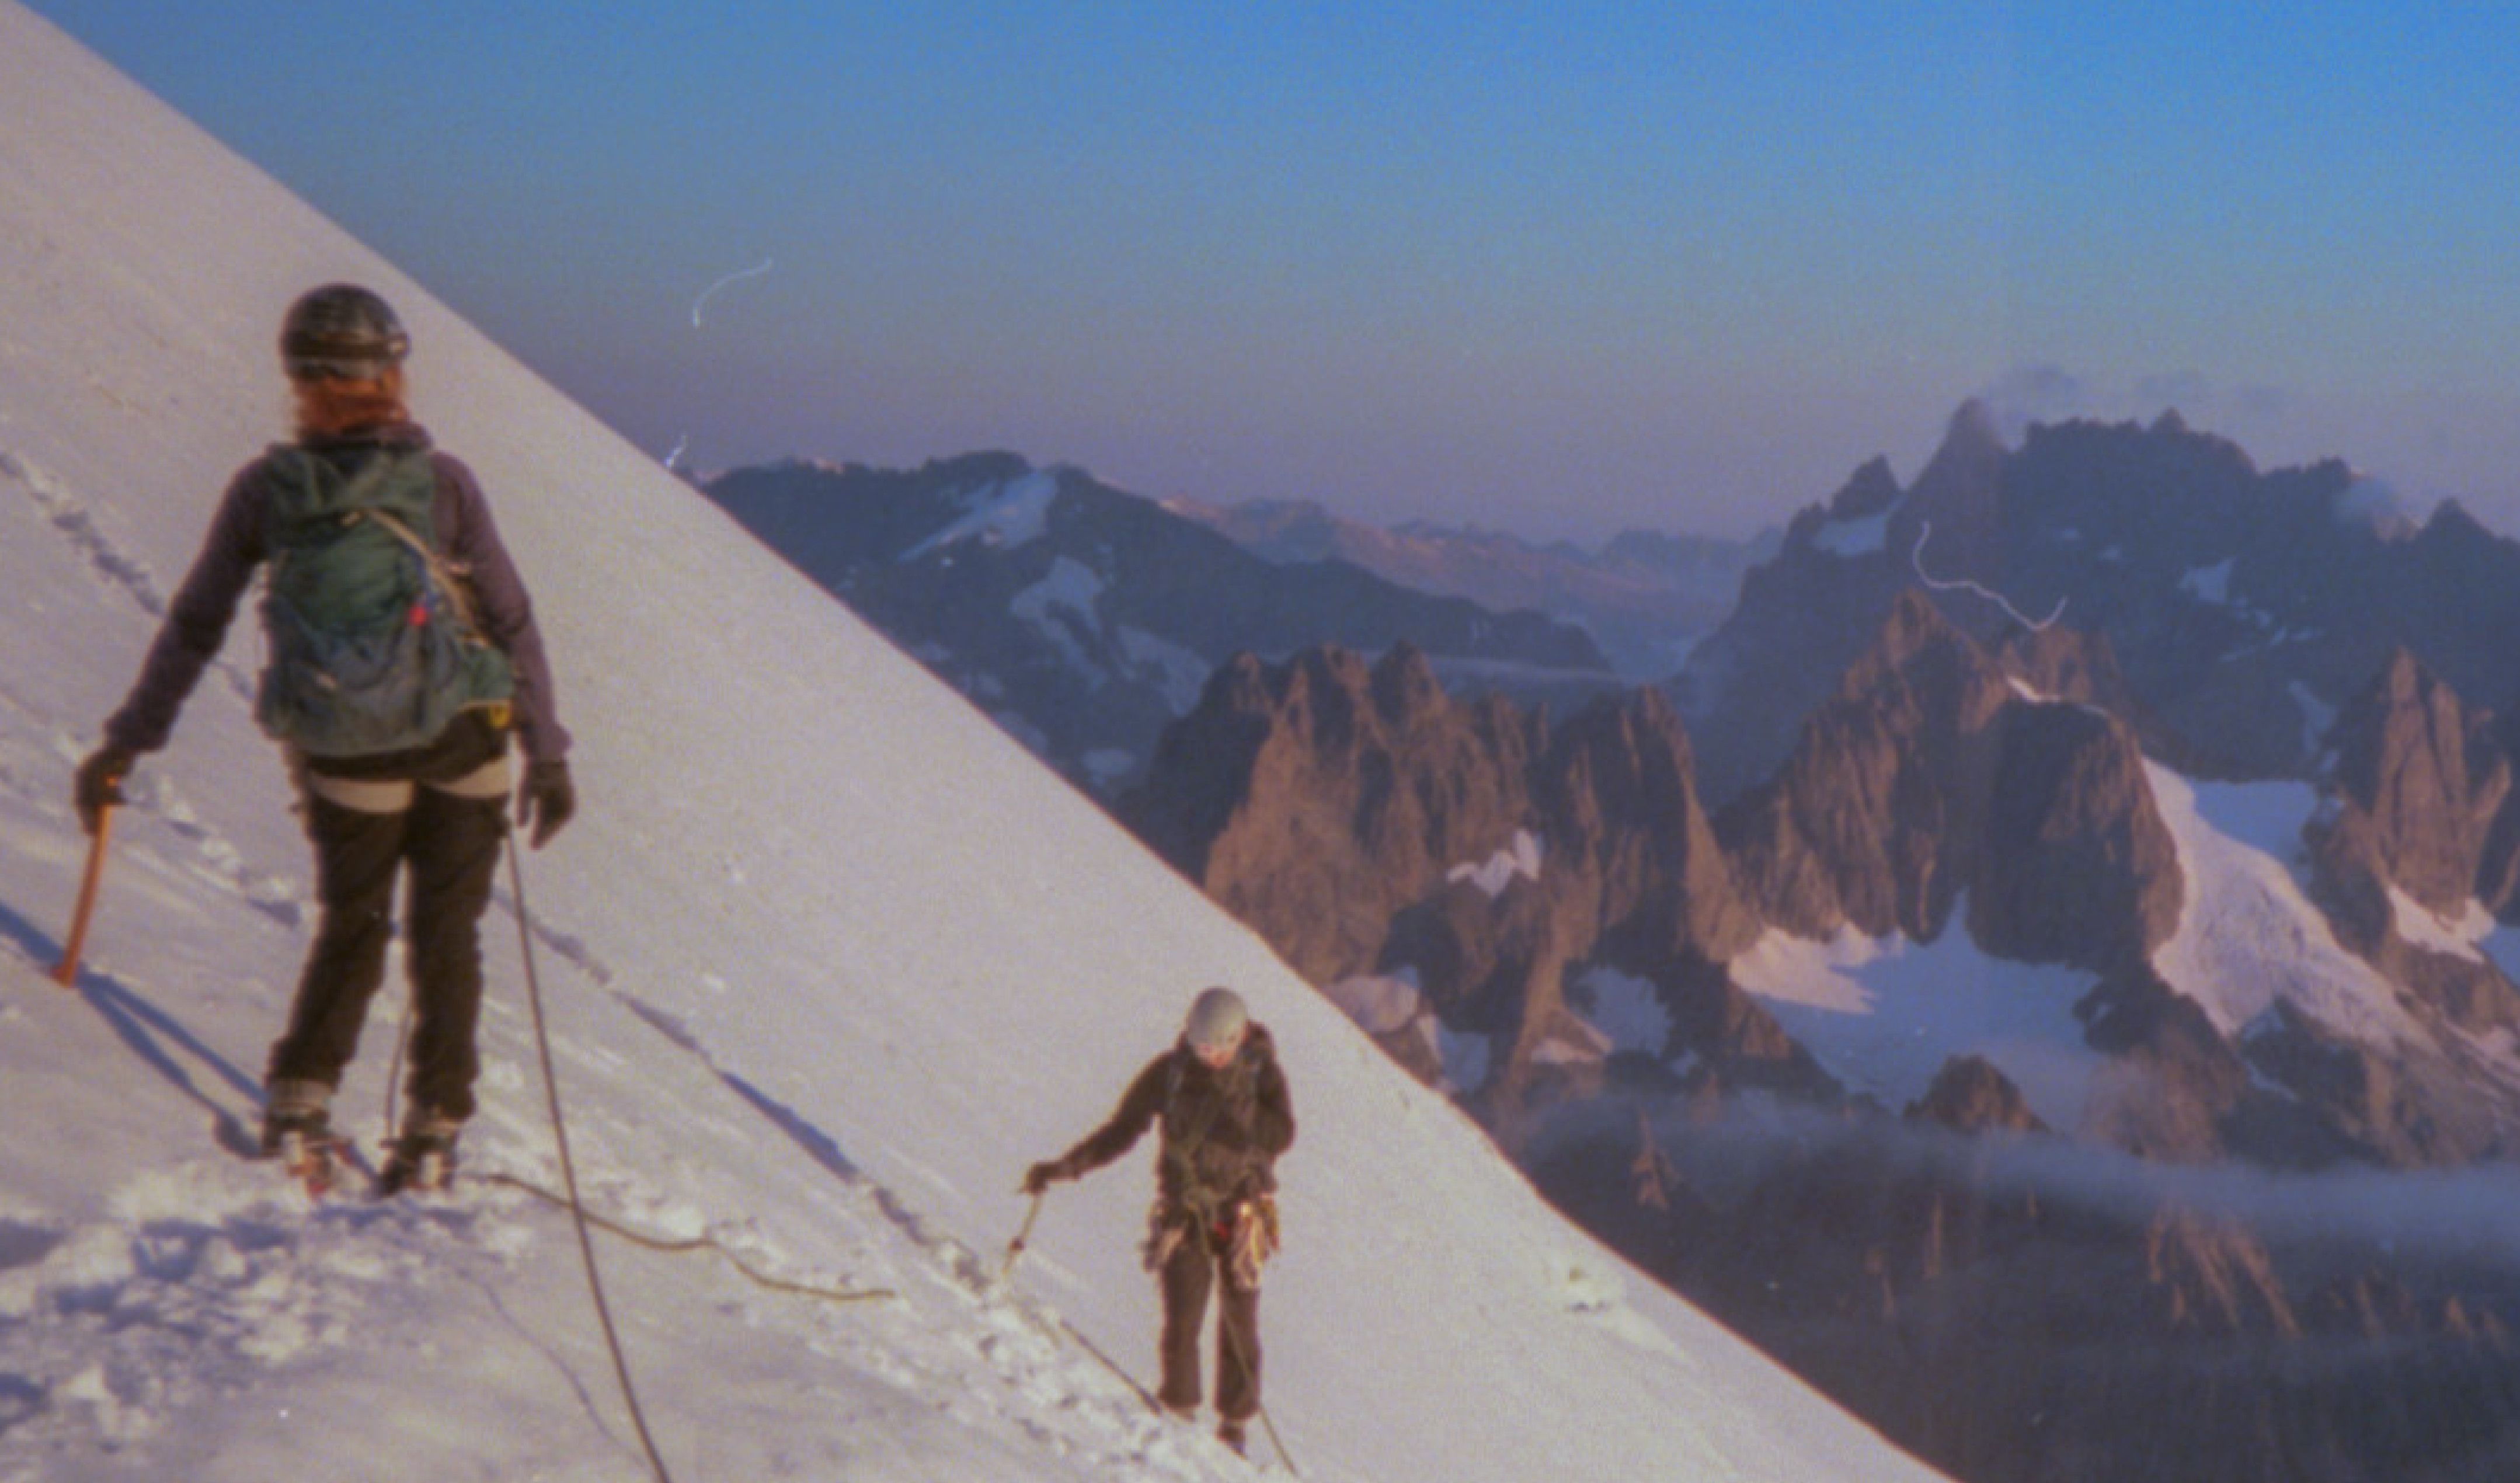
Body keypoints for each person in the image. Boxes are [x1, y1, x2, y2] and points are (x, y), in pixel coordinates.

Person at [72, 283, 574, 1193]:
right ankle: (433, 1129)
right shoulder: (446, 485)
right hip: (465, 739)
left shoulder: (265, 492)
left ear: (300, 379)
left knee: (353, 925)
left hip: (346, 751)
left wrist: (129, 741)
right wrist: (549, 752)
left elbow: (197, 623)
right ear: (391, 372)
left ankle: (302, 1096)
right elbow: (510, 618)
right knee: (448, 935)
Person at [1024, 986, 1294, 1454]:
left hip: (1242, 1212)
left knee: (1239, 1324)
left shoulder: (1261, 1075)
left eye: (1217, 1049)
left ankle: (1234, 1427)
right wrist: (1068, 1166)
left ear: (1237, 1040)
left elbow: (1282, 1133)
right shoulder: (1169, 1074)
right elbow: (1123, 1129)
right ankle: (1179, 1411)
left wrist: (1244, 1119)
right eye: (1201, 1047)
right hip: (1185, 1211)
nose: (1208, 1057)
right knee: (1183, 1318)